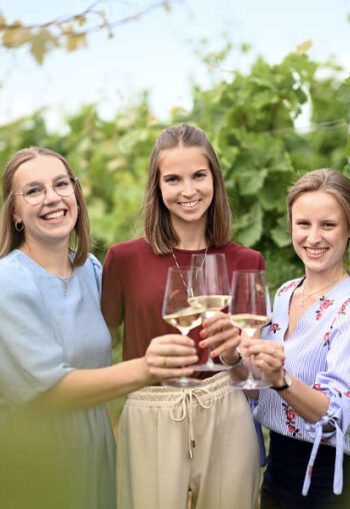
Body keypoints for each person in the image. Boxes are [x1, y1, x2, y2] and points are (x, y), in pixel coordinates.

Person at [0, 147, 198, 509]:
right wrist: (146, 368)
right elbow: (47, 393)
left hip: (94, 455)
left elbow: (137, 321)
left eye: (62, 184)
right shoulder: (5, 282)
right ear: (14, 212)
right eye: (33, 190)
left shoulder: (89, 270)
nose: (52, 198)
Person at [101, 124, 265, 509]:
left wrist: (234, 356)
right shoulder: (123, 260)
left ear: (215, 180)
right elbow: (98, 343)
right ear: (157, 187)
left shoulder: (247, 262)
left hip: (225, 409)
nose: (188, 191)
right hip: (151, 411)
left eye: (199, 176)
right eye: (173, 179)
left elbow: (254, 383)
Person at [242, 168, 350, 509]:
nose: (313, 237)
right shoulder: (286, 293)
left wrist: (280, 379)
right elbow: (258, 386)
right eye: (303, 224)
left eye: (328, 225)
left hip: (331, 482)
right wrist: (238, 354)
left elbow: (334, 418)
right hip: (279, 469)